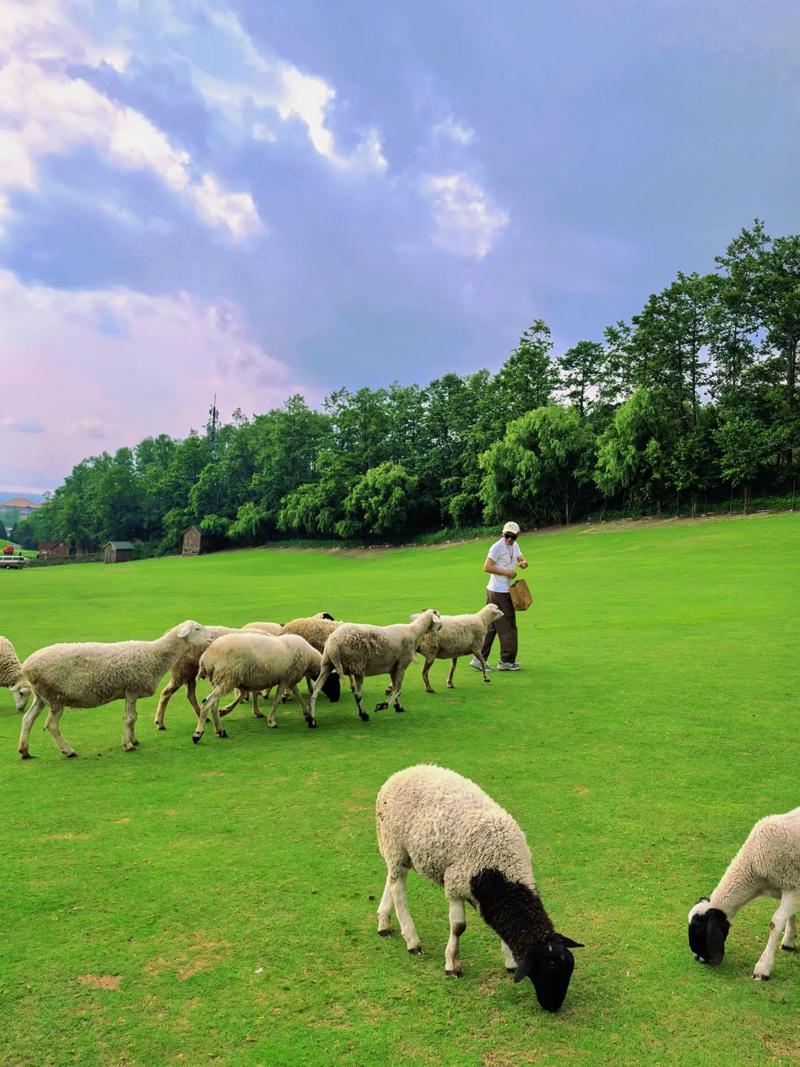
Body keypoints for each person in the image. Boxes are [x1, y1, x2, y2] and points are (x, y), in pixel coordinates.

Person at [471, 520, 528, 672]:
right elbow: (487, 566)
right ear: (503, 533)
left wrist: (523, 562)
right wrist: (507, 572)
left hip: (498, 590)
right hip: (499, 592)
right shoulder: (496, 547)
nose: (509, 539)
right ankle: (506, 661)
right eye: (507, 536)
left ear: (517, 536)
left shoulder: (514, 546)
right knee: (508, 625)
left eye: (513, 537)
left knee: (491, 626)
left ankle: (478, 658)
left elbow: (520, 557)